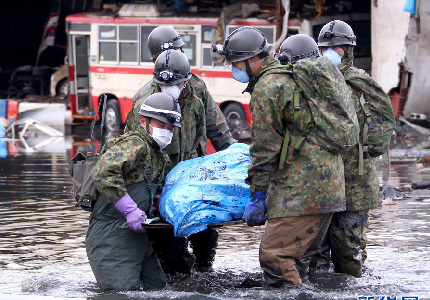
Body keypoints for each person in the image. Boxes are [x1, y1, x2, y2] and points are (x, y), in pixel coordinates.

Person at [213, 27, 346, 288]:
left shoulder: (268, 86)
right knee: (299, 262)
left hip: (301, 191)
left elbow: (265, 148)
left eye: (236, 62)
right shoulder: (291, 76)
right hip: (330, 187)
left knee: (275, 257)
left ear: (253, 59)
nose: (233, 68)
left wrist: (258, 194)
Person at [126, 46, 233, 274]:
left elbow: (210, 132)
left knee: (205, 231)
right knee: (171, 248)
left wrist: (233, 163)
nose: (173, 89)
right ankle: (178, 275)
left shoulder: (195, 99)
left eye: (178, 83)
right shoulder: (144, 105)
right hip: (160, 181)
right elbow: (135, 151)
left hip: (191, 175)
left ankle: (204, 271)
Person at [317, 20, 395, 277]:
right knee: (317, 246)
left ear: (348, 50)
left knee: (349, 242)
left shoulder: (360, 82)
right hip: (321, 177)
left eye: (338, 47)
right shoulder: (315, 81)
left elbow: (384, 118)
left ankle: (352, 285)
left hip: (355, 177)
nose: (332, 52)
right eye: (326, 48)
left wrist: (370, 150)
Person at [86, 92, 181, 291]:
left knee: (157, 288)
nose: (166, 131)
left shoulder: (158, 154)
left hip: (138, 236)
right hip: (111, 236)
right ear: (143, 120)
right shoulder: (135, 143)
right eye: (161, 126)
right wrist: (129, 210)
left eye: (170, 128)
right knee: (122, 294)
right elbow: (103, 173)